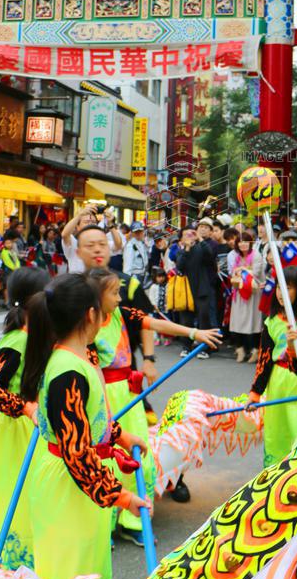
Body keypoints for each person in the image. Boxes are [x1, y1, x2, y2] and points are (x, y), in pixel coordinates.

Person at [21, 273, 151, 579]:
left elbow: (87, 419)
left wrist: (119, 436)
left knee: (86, 570)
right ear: (91, 315)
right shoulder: (68, 369)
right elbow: (76, 452)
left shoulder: (76, 358)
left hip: (76, 481)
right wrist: (122, 497)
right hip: (69, 484)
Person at [86, 267, 222, 542]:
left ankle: (134, 520)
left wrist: (194, 332)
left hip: (129, 394)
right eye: (113, 293)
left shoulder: (122, 314)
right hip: (102, 397)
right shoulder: (85, 326)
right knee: (106, 459)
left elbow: (154, 323)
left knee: (140, 456)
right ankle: (106, 524)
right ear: (96, 297)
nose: (119, 297)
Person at [0, 268, 49, 568]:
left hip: (33, 426)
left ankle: (31, 558)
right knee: (15, 494)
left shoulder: (36, 334)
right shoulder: (16, 341)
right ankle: (11, 562)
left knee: (36, 494)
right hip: (16, 430)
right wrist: (25, 407)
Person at [247, 265, 297, 467]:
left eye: (288, 288)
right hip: (279, 382)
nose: (281, 293)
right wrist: (255, 393)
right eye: (279, 287)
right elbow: (264, 359)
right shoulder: (271, 322)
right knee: (277, 432)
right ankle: (274, 477)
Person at [175, 224, 219, 356]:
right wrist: (187, 248)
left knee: (204, 320)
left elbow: (210, 255)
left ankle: (205, 349)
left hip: (202, 288)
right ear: (181, 239)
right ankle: (186, 347)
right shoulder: (181, 251)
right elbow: (180, 267)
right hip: (186, 291)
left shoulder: (201, 247)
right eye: (186, 235)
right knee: (186, 321)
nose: (189, 237)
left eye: (191, 234)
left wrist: (199, 238)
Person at [228, 231, 265, 363]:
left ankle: (255, 350)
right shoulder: (237, 257)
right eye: (240, 242)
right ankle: (240, 349)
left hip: (253, 294)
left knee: (253, 322)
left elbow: (255, 273)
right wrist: (241, 270)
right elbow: (233, 273)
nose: (243, 244)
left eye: (246, 241)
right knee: (237, 321)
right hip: (239, 293)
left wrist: (242, 269)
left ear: (251, 243)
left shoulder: (257, 256)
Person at [60, 207, 99, 273]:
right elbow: (64, 234)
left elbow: (118, 245)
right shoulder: (73, 242)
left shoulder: (100, 244)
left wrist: (111, 225)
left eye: (93, 222)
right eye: (86, 222)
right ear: (77, 227)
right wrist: (79, 215)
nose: (90, 224)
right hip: (77, 281)